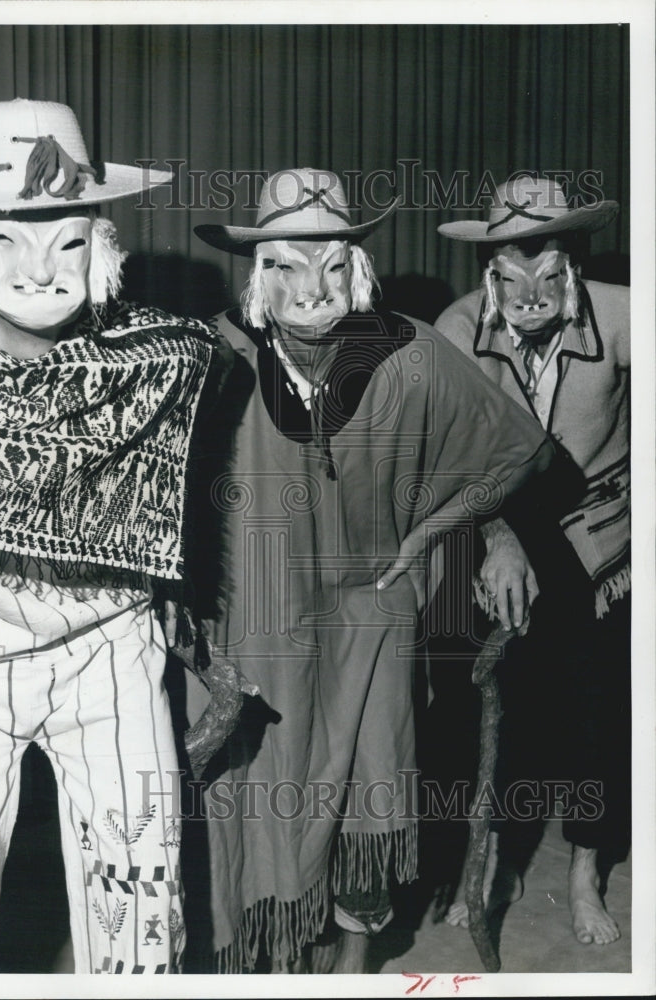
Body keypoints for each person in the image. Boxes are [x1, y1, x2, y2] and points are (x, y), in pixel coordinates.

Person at [188, 168, 556, 972]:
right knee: (256, 798)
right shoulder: (214, 358)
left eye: (330, 264)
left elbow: (512, 450)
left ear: (356, 269)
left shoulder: (410, 352)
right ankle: (267, 956)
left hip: (372, 615)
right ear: (260, 275)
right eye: (286, 265)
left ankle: (354, 960)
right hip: (258, 617)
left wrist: (442, 533)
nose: (310, 288)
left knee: (370, 786)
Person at [0, 98, 216, 974]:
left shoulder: (162, 367)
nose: (37, 268)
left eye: (65, 240)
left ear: (102, 252)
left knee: (143, 891)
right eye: (5, 239)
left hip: (109, 650)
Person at [435, 174, 630, 946]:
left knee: (599, 708)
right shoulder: (455, 328)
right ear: (487, 269)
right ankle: (489, 858)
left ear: (571, 259)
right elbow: (448, 455)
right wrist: (496, 539)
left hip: (605, 531)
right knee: (484, 701)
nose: (528, 290)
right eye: (507, 272)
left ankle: (584, 869)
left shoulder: (624, 317)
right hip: (498, 524)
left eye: (544, 268)